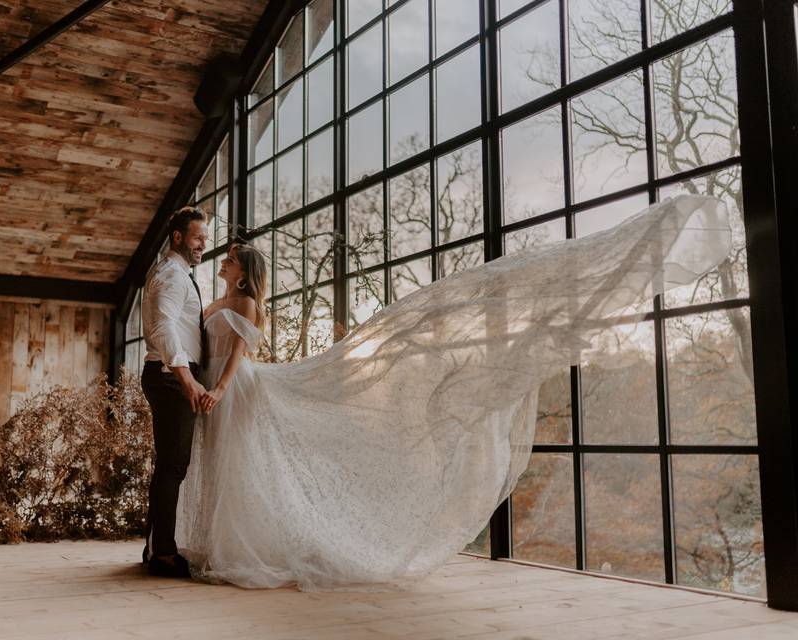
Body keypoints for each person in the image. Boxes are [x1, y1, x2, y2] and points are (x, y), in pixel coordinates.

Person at [176, 195, 733, 591]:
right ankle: (218, 545)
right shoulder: (214, 297)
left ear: (242, 271)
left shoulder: (244, 304)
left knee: (244, 465)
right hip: (213, 389)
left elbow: (241, 356)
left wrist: (217, 389)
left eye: (226, 257)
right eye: (218, 254)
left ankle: (240, 551)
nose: (220, 258)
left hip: (234, 389)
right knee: (227, 465)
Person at [139, 205, 210, 578]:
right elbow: (164, 329)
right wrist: (187, 379)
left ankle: (156, 546)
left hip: (169, 375)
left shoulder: (178, 274)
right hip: (170, 377)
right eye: (198, 237)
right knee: (173, 466)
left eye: (205, 239)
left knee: (169, 466)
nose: (203, 245)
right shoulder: (171, 275)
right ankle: (163, 553)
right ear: (179, 237)